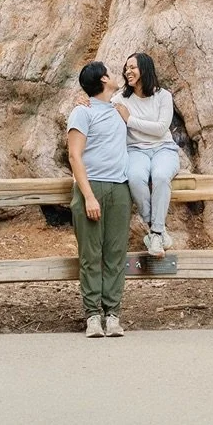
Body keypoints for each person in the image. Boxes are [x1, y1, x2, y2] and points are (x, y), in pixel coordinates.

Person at [66, 60, 132, 337]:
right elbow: (74, 156)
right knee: (91, 254)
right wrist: (89, 196)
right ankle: (93, 315)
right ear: (104, 79)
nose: (117, 76)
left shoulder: (121, 109)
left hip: (119, 188)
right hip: (90, 188)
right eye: (112, 73)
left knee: (115, 254)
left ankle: (112, 314)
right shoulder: (83, 112)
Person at [114, 51, 181, 258]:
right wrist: (83, 102)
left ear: (145, 69)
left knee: (161, 177)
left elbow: (161, 129)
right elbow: (99, 106)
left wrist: (130, 119)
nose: (128, 71)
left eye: (132, 67)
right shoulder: (120, 99)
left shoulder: (163, 96)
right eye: (126, 68)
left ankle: (155, 234)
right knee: (134, 178)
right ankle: (157, 231)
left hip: (164, 148)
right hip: (135, 150)